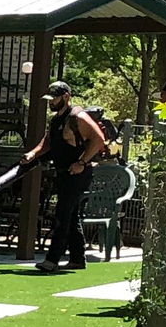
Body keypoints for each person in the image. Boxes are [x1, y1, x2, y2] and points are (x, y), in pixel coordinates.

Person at [18, 77, 107, 272]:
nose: (51, 102)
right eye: (49, 99)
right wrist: (33, 153)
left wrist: (81, 163)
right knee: (71, 216)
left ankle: (52, 260)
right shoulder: (56, 119)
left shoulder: (78, 117)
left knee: (62, 215)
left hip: (78, 174)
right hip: (64, 173)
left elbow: (99, 139)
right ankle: (77, 258)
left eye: (54, 99)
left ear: (66, 97)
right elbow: (48, 141)